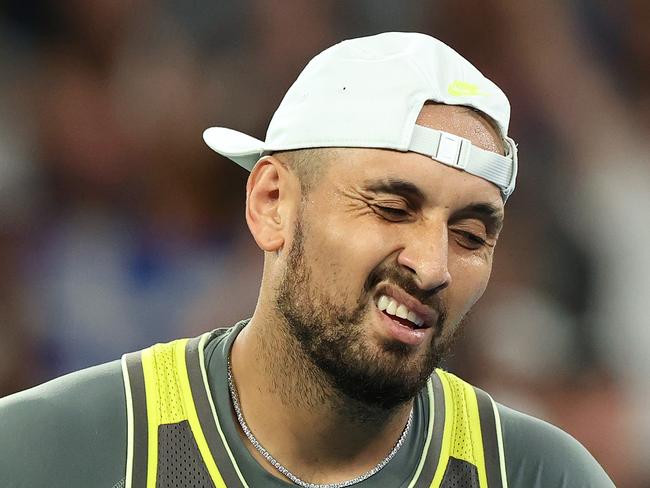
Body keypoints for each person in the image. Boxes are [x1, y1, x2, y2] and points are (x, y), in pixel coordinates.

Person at [0, 32, 614, 488]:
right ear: (272, 203)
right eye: (392, 207)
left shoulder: (540, 476)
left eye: (471, 233)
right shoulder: (48, 454)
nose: (432, 266)